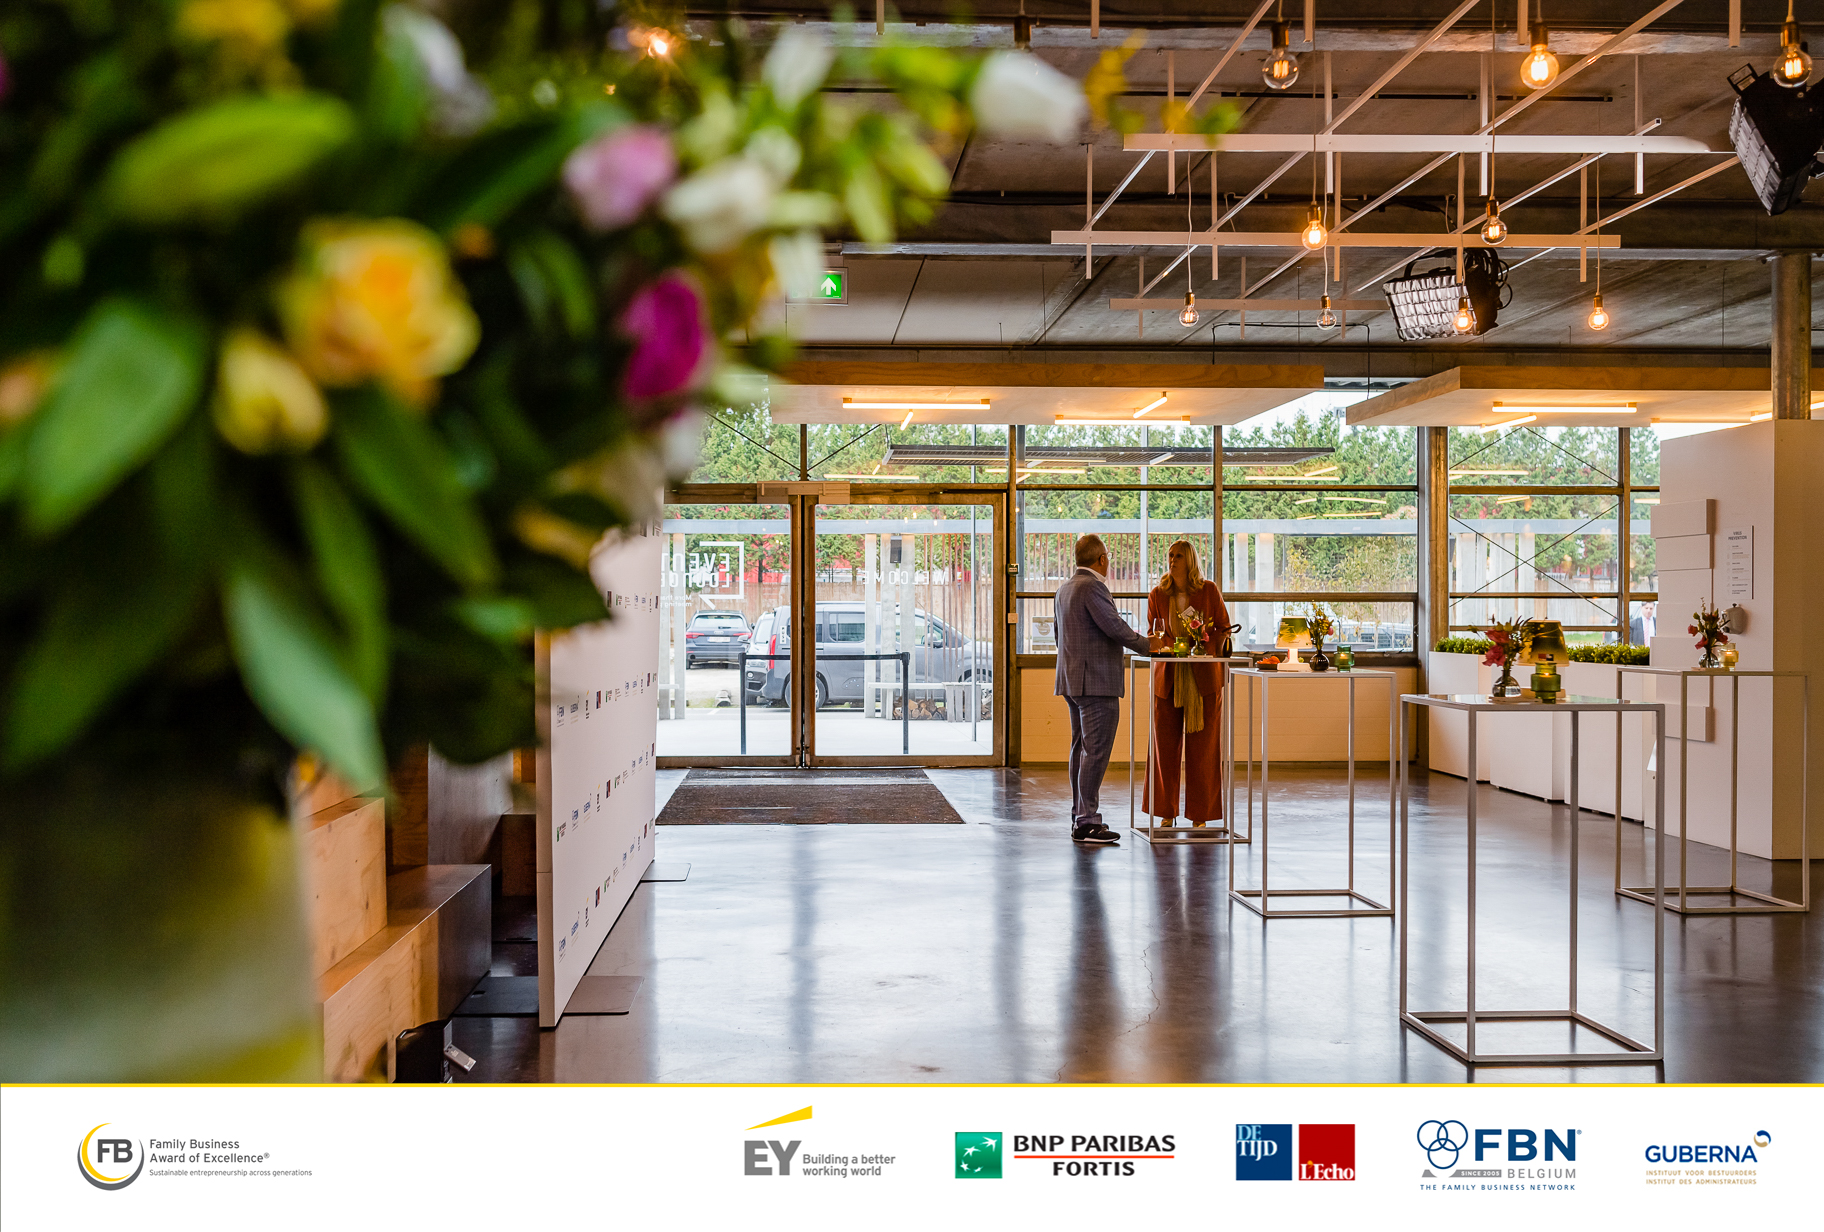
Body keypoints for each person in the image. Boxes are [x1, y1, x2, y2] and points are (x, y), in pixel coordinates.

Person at [1054, 534, 1165, 844]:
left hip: (1072, 681)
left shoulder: (1064, 589)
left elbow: (1058, 635)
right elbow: (1114, 626)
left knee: (1080, 748)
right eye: (1108, 557)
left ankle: (1079, 815)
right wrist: (1150, 646)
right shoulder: (1093, 587)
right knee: (1095, 752)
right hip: (1097, 682)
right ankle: (1087, 822)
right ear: (1102, 559)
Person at [1144, 541, 1231, 828]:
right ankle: (1165, 812)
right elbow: (1153, 632)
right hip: (1168, 678)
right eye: (1170, 555)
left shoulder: (1209, 591)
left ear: (1190, 560)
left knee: (1204, 750)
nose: (1172, 560)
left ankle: (1200, 815)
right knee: (1164, 747)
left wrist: (1203, 645)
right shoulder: (1157, 594)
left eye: (1178, 556)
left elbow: (1223, 628)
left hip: (1203, 680)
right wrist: (1175, 646)